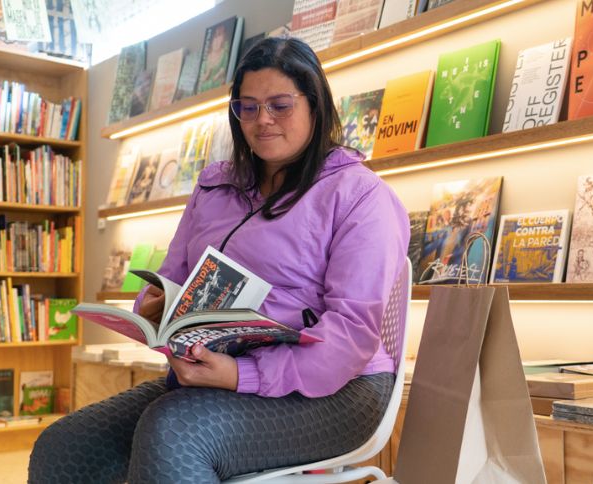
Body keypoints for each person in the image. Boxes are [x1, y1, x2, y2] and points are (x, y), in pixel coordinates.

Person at [29, 37, 410, 483]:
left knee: (175, 433)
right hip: (217, 375)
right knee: (65, 445)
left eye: (279, 105)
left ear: (315, 104)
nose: (261, 120)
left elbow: (350, 336)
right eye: (246, 107)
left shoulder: (361, 196)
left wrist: (241, 375)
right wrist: (156, 309)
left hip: (340, 391)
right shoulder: (214, 187)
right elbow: (168, 279)